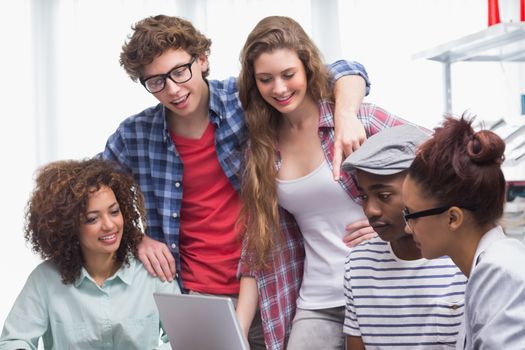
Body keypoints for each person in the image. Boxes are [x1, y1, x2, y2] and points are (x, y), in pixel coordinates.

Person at [102, 14, 371, 349]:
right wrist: (136, 238)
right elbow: (89, 192)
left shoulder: (244, 99)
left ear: (201, 60)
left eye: (179, 71)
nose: (172, 89)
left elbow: (345, 70)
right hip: (197, 297)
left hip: (273, 283)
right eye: (155, 81)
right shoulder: (135, 135)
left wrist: (345, 116)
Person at [235, 15, 410, 350]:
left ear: (308, 68)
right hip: (318, 300)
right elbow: (257, 246)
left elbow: (444, 163)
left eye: (288, 75)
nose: (280, 88)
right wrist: (238, 329)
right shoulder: (260, 149)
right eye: (266, 79)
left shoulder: (358, 119)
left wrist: (397, 222)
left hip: (382, 285)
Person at [0, 158, 180, 350]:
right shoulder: (45, 279)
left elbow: (186, 341)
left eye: (114, 211)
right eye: (92, 219)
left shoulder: (151, 272)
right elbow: (13, 342)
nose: (109, 225)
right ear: (69, 227)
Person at [402, 115, 525, 349]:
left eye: (412, 215)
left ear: (453, 218)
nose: (408, 228)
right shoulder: (490, 264)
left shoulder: (498, 272)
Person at [341, 124, 467, 349]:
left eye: (384, 195)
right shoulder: (358, 264)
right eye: (363, 196)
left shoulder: (462, 261)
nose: (370, 210)